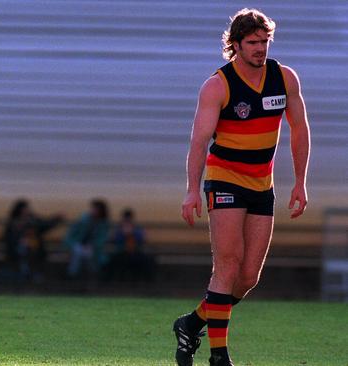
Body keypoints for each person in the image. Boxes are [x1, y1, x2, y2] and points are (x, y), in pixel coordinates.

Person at [173, 9, 310, 366]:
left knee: (247, 278)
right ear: (234, 45)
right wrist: (191, 189)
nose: (260, 48)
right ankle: (219, 357)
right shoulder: (217, 85)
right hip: (225, 180)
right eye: (252, 42)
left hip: (262, 185)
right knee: (228, 266)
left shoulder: (285, 78)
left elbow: (300, 129)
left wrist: (300, 182)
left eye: (265, 41)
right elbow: (199, 141)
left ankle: (191, 323)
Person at [2, 199, 63, 280]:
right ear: (19, 210)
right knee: (25, 250)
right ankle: (26, 273)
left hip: (34, 248)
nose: (27, 211)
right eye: (25, 209)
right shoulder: (13, 223)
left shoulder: (32, 219)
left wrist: (56, 219)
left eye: (27, 209)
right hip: (17, 249)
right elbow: (8, 238)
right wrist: (19, 241)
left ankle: (29, 273)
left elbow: (44, 225)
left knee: (31, 250)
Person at [65, 199, 111, 278]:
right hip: (79, 245)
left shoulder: (104, 224)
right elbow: (70, 235)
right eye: (93, 208)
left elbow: (102, 239)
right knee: (79, 252)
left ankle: (76, 276)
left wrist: (92, 245)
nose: (93, 210)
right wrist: (72, 245)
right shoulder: (83, 220)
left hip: (94, 249)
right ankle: (77, 276)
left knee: (86, 254)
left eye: (96, 209)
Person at [105, 208, 155, 281]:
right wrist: (122, 234)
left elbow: (143, 239)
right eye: (126, 219)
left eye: (129, 219)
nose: (127, 221)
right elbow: (113, 240)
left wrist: (132, 232)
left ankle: (148, 281)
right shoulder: (119, 229)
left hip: (135, 252)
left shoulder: (136, 228)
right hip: (122, 253)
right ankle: (109, 281)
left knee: (148, 261)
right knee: (111, 261)